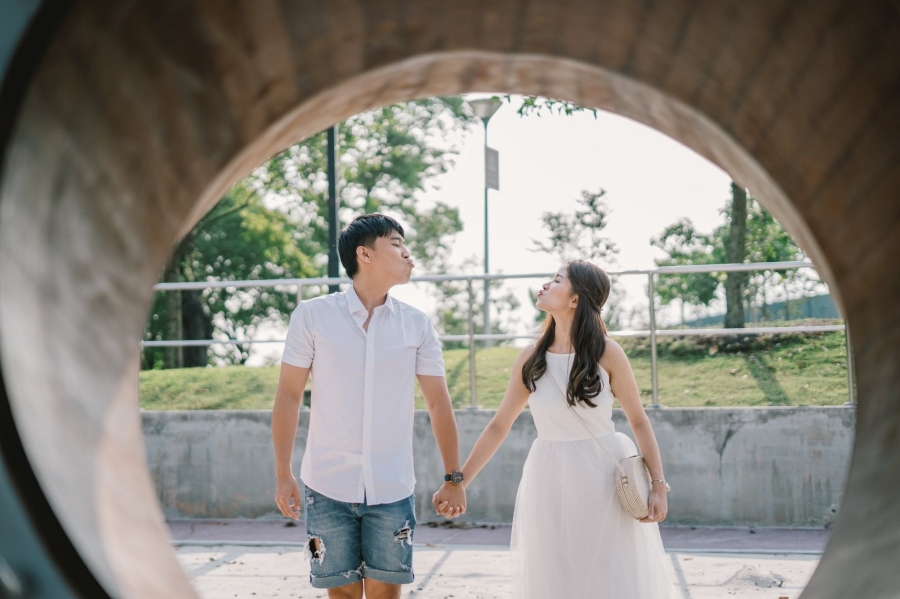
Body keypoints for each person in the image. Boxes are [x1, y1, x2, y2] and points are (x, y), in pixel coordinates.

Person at [272, 214, 466, 599]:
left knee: (385, 594)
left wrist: (454, 477)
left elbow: (438, 402)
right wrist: (283, 473)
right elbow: (289, 395)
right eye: (396, 243)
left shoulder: (417, 325)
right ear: (365, 254)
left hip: (392, 488)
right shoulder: (312, 316)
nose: (408, 253)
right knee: (341, 594)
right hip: (326, 486)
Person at [456, 260, 673, 598]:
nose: (545, 285)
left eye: (557, 280)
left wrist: (658, 485)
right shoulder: (531, 357)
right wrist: (459, 481)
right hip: (549, 473)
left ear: (575, 299)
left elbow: (639, 420)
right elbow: (500, 424)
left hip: (604, 474)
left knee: (608, 571)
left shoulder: (607, 352)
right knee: (555, 572)